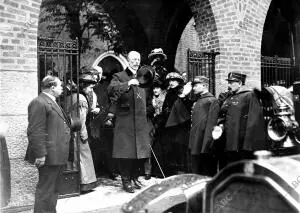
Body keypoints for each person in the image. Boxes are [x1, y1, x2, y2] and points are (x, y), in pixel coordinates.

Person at [108, 50, 154, 193]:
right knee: (126, 153)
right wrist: (128, 83)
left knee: (139, 152)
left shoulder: (145, 77)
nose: (136, 62)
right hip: (125, 121)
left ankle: (134, 177)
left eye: (138, 59)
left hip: (140, 122)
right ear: (128, 60)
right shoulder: (119, 76)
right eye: (133, 59)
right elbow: (111, 90)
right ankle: (126, 180)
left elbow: (148, 99)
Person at [25, 75, 71, 213]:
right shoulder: (39, 102)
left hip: (56, 154)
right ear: (52, 88)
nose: (62, 88)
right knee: (45, 191)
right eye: (60, 86)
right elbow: (35, 131)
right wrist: (40, 155)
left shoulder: (51, 101)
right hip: (48, 156)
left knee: (53, 190)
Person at [212, 72, 267, 169]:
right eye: (228, 82)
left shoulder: (250, 96)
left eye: (231, 82)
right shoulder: (228, 97)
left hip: (240, 143)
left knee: (239, 168)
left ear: (240, 83)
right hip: (226, 141)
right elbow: (222, 114)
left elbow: (254, 120)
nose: (229, 85)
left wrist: (248, 145)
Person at [65, 74, 98, 192]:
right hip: (78, 131)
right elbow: (82, 119)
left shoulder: (70, 97)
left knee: (73, 157)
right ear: (83, 86)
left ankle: (75, 182)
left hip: (69, 131)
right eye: (90, 87)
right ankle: (85, 183)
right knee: (83, 156)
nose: (91, 90)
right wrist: (84, 134)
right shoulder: (81, 99)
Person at [187, 76, 220, 176]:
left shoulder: (211, 100)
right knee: (196, 168)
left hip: (203, 141)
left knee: (206, 170)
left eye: (196, 86)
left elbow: (211, 124)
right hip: (196, 139)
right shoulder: (199, 100)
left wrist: (207, 143)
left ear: (204, 86)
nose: (193, 88)